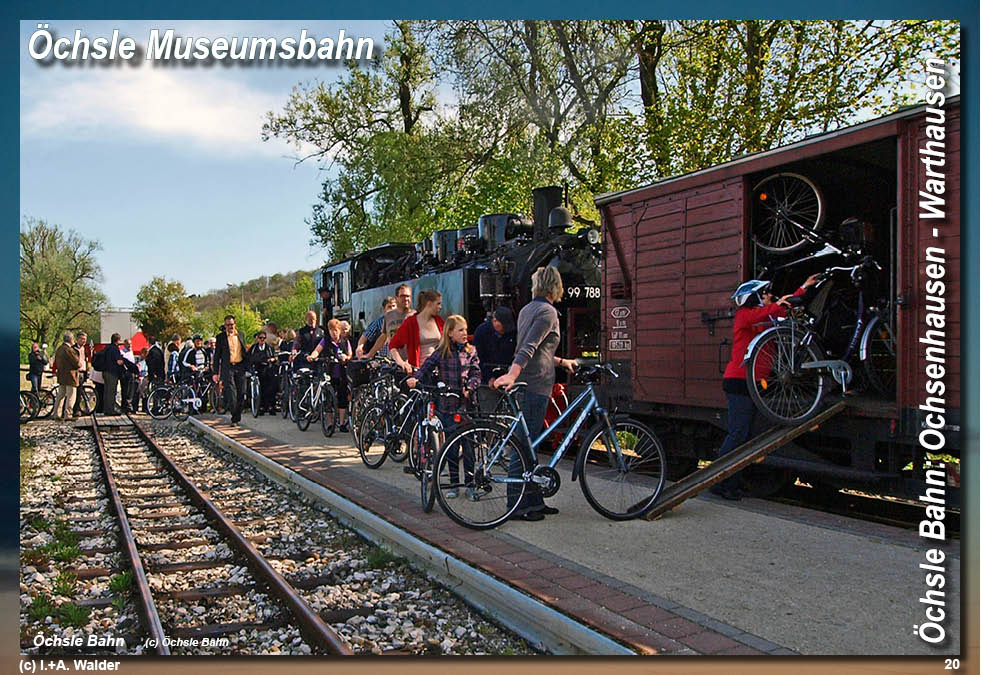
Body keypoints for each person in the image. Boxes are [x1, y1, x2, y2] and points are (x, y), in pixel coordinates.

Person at [712, 273, 821, 500]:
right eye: (765, 294)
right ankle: (720, 481)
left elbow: (784, 308)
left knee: (745, 436)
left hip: (752, 383)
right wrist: (778, 304)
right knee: (738, 434)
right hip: (739, 382)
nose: (770, 295)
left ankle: (731, 481)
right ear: (754, 297)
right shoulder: (744, 316)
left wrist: (804, 287)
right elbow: (770, 310)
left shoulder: (764, 319)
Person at [493, 266, 576, 522]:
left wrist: (562, 362)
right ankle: (516, 504)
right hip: (534, 384)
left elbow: (540, 350)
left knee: (531, 446)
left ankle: (534, 500)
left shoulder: (528, 309)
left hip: (531, 381)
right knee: (523, 447)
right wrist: (513, 374)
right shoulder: (548, 312)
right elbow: (528, 347)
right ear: (556, 286)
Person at [407, 315, 481, 497]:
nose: (465, 333)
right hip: (447, 405)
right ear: (450, 333)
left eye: (465, 329)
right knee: (451, 448)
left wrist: (470, 387)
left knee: (469, 448)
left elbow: (476, 373)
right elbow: (426, 367)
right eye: (460, 330)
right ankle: (454, 484)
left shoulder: (471, 351)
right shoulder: (441, 352)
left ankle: (470, 484)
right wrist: (415, 379)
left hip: (467, 406)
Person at [307, 318, 352, 431]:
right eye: (331, 330)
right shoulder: (325, 340)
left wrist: (346, 357)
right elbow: (317, 350)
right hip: (329, 371)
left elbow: (350, 354)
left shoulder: (344, 341)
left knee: (342, 397)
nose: (333, 333)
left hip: (341, 372)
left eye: (335, 330)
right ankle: (330, 423)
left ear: (339, 330)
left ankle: (341, 423)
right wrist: (312, 356)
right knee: (328, 398)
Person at [389, 289, 444, 373]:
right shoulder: (411, 323)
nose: (440, 307)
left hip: (438, 371)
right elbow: (393, 345)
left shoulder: (439, 321)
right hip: (419, 371)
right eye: (438, 303)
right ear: (429, 303)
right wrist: (402, 363)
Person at [213, 316, 249, 424]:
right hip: (228, 367)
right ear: (225, 326)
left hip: (240, 366)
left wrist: (248, 366)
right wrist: (215, 372)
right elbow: (217, 356)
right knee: (231, 392)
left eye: (232, 324)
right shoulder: (221, 337)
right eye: (228, 325)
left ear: (235, 324)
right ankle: (235, 417)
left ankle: (237, 414)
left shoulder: (241, 335)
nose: (230, 327)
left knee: (242, 392)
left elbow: (244, 351)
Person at [369, 284, 414, 360]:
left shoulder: (416, 316)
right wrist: (370, 354)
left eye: (408, 296)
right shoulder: (388, 316)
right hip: (392, 361)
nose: (406, 299)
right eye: (402, 296)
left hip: (410, 362)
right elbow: (383, 337)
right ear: (396, 298)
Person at [472, 306, 517, 384]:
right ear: (494, 321)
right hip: (485, 375)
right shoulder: (481, 332)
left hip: (507, 373)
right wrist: (489, 377)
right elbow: (478, 358)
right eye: (503, 326)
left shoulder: (512, 333)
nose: (505, 330)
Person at [247, 330, 278, 415]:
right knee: (261, 387)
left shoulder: (269, 348)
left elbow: (274, 357)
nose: (262, 340)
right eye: (260, 338)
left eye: (264, 338)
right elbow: (249, 358)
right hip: (258, 369)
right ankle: (261, 406)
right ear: (257, 338)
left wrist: (272, 359)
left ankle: (271, 406)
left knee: (272, 386)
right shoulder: (253, 348)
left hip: (268, 369)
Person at [53, 332, 81, 421]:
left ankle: (56, 413)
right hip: (70, 376)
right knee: (71, 396)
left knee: (60, 395)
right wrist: (79, 364)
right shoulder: (69, 350)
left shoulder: (59, 349)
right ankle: (68, 415)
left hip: (61, 375)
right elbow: (76, 363)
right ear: (71, 339)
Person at [102, 333, 125, 415]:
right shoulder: (115, 349)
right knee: (111, 392)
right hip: (112, 373)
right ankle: (110, 410)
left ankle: (106, 409)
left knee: (106, 391)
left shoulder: (107, 348)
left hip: (105, 371)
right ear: (117, 340)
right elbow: (119, 361)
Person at [71, 332, 91, 417]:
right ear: (78, 339)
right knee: (75, 392)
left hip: (83, 372)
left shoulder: (85, 349)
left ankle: (78, 408)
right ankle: (75, 410)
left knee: (80, 392)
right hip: (76, 372)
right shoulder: (73, 349)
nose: (84, 341)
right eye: (82, 339)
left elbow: (87, 359)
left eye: (85, 339)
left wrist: (88, 368)